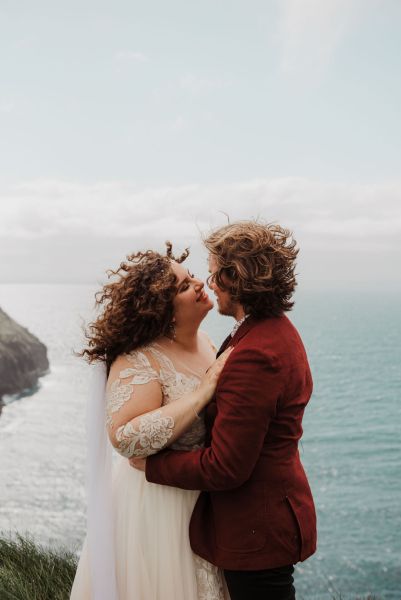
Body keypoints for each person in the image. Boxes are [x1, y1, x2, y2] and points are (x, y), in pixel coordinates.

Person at [133, 221, 317, 600]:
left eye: (215, 273)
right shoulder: (269, 328)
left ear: (239, 279)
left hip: (256, 529)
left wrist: (150, 466)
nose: (209, 283)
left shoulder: (256, 353)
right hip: (265, 521)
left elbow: (226, 466)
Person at [70, 244, 232, 600]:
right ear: (163, 311)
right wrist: (202, 393)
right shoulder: (139, 358)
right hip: (157, 510)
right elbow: (124, 438)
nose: (199, 284)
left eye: (191, 276)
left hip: (203, 500)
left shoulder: (206, 342)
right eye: (183, 286)